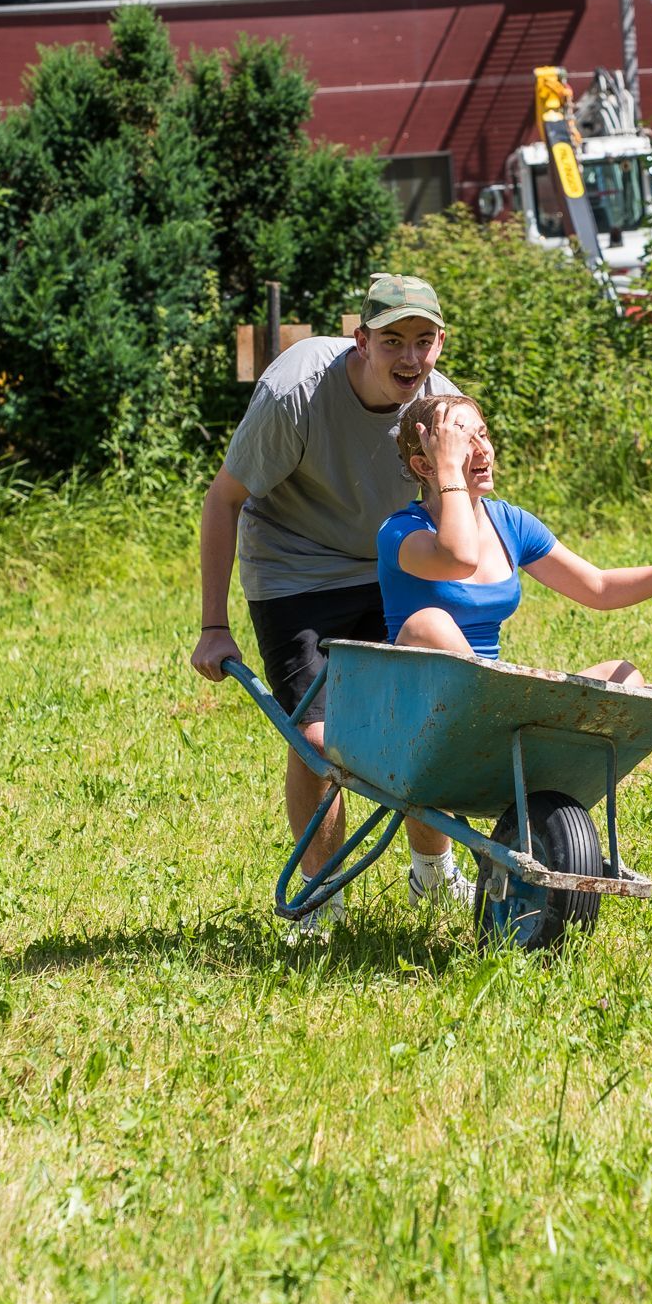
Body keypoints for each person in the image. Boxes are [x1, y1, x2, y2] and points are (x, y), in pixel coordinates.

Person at [190, 273, 467, 932]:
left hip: (390, 564)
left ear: (440, 343)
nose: (409, 357)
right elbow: (223, 499)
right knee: (320, 738)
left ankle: (433, 874)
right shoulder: (296, 393)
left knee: (425, 716)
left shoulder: (442, 409)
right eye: (392, 341)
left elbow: (465, 516)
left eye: (423, 341)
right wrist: (213, 625)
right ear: (361, 340)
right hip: (296, 570)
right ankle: (320, 900)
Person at [377, 393, 652, 687]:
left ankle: (515, 722)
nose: (482, 450)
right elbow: (459, 559)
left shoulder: (510, 523)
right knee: (428, 623)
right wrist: (449, 470)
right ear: (425, 465)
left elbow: (599, 588)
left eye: (482, 435)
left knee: (623, 675)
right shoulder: (401, 532)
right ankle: (507, 714)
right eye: (461, 444)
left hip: (496, 702)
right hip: (422, 708)